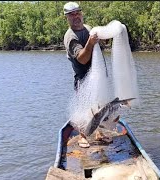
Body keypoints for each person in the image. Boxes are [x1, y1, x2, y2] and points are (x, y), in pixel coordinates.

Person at [63, 2, 99, 148]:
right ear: (67, 17)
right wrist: (90, 43)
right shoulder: (70, 37)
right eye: (72, 14)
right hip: (82, 77)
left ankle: (98, 133)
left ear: (81, 13)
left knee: (98, 105)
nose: (76, 16)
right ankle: (82, 136)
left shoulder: (89, 28)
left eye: (77, 12)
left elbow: (99, 45)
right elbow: (83, 59)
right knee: (84, 108)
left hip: (96, 75)